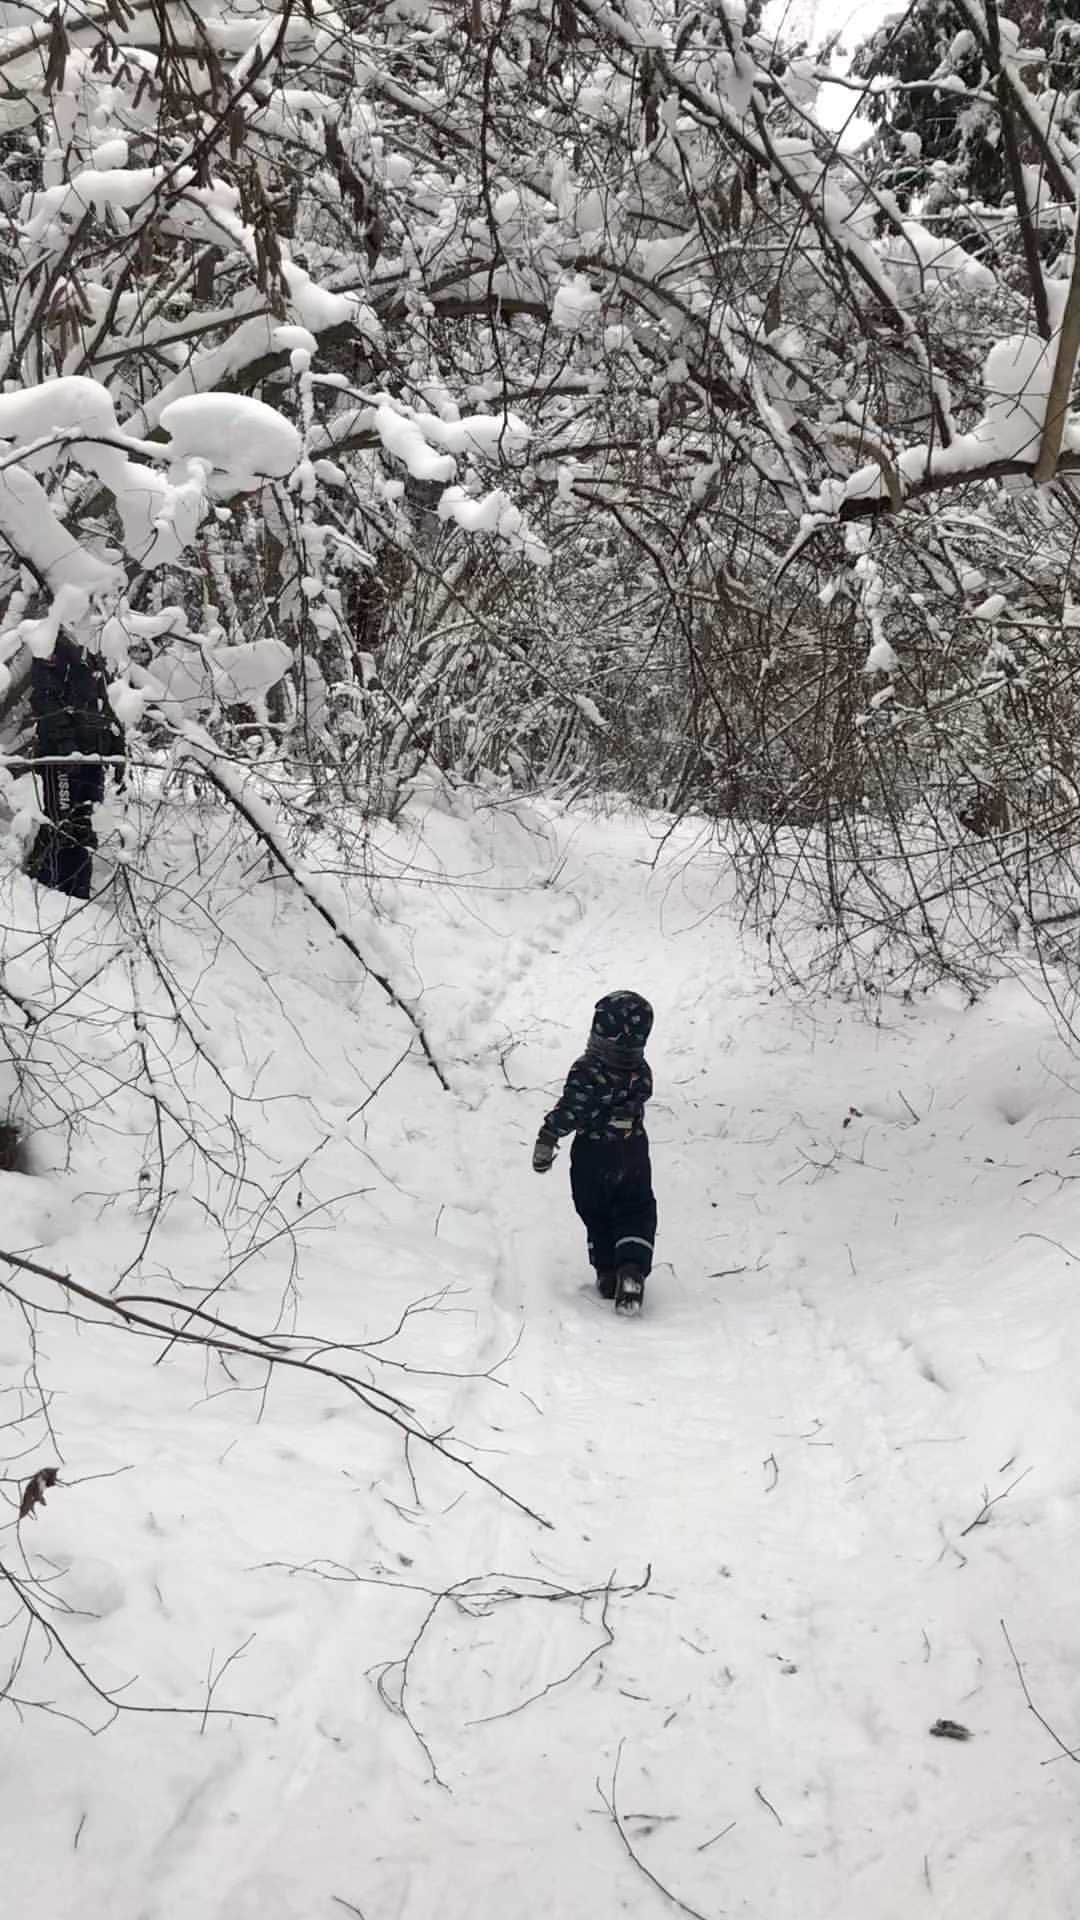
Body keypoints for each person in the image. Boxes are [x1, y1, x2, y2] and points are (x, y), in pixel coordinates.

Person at [532, 990, 657, 1312]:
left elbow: (573, 1107)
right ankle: (631, 1268)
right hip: (632, 1149)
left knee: (596, 1210)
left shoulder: (587, 1070)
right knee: (635, 1207)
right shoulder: (641, 1072)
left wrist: (549, 1135)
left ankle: (607, 1271)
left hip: (593, 1152)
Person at [24, 637, 123, 901]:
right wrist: (65, 743)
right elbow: (44, 699)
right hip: (61, 757)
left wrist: (118, 746)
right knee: (61, 822)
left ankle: (77, 895)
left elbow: (103, 704)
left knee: (83, 823)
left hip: (92, 757)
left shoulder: (92, 650)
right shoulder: (51, 643)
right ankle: (43, 888)